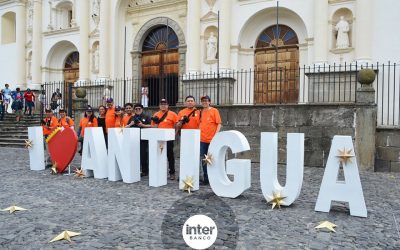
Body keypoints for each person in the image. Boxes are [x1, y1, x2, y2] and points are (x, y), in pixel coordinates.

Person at [151, 99, 178, 180]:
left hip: (169, 139)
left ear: (167, 105)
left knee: (170, 156)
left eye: (165, 104)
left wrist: (174, 134)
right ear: (159, 105)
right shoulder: (156, 114)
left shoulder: (173, 114)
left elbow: (177, 125)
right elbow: (153, 126)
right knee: (159, 155)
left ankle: (172, 173)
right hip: (159, 139)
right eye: (161, 104)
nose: (163, 105)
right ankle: (160, 172)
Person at [199, 95, 222, 185]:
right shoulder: (201, 112)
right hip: (202, 139)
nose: (204, 102)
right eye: (203, 101)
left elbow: (219, 124)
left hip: (212, 140)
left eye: (206, 100)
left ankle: (215, 177)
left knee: (213, 159)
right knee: (204, 159)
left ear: (209, 101)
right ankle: (206, 178)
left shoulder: (214, 111)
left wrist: (215, 135)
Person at [126, 103, 152, 176]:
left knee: (144, 155)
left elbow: (151, 125)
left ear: (142, 109)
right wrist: (130, 124)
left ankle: (145, 171)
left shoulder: (146, 116)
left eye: (139, 109)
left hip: (144, 139)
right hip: (133, 139)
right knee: (134, 155)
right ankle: (136, 169)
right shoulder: (132, 117)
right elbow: (126, 128)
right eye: (136, 109)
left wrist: (143, 125)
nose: (137, 110)